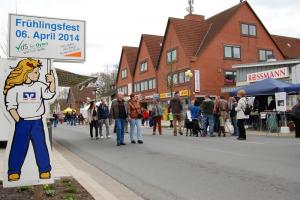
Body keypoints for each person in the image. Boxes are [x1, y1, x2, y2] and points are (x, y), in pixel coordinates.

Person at [3, 58, 55, 181]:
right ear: (27, 72)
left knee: (40, 147)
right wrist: (19, 120)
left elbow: (49, 94)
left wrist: (52, 82)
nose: (38, 75)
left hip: (37, 122)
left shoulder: (40, 86)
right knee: (18, 146)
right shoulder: (14, 89)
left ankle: (44, 171)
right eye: (36, 72)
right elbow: (11, 107)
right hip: (22, 122)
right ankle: (14, 172)